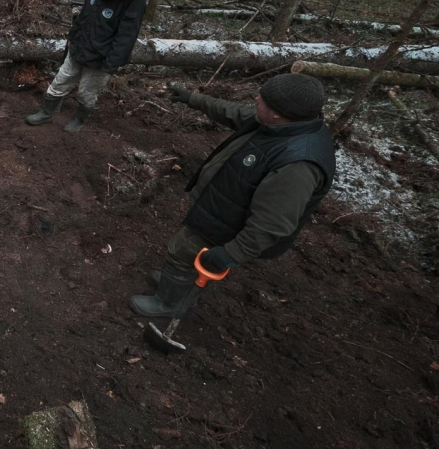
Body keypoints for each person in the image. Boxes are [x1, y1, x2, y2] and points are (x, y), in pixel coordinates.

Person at [130, 74, 336, 317]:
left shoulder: (298, 164)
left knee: (182, 250)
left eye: (263, 100)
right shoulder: (281, 123)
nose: (257, 99)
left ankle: (170, 302)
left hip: (229, 225)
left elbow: (271, 224)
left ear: (278, 113)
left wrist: (231, 254)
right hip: (221, 208)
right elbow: (234, 112)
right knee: (187, 252)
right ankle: (177, 282)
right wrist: (193, 99)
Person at [25, 0, 149, 132]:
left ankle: (79, 119)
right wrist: (73, 35)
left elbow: (128, 33)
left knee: (86, 92)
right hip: (81, 45)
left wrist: (112, 62)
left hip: (102, 55)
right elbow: (87, 12)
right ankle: (46, 113)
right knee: (61, 80)